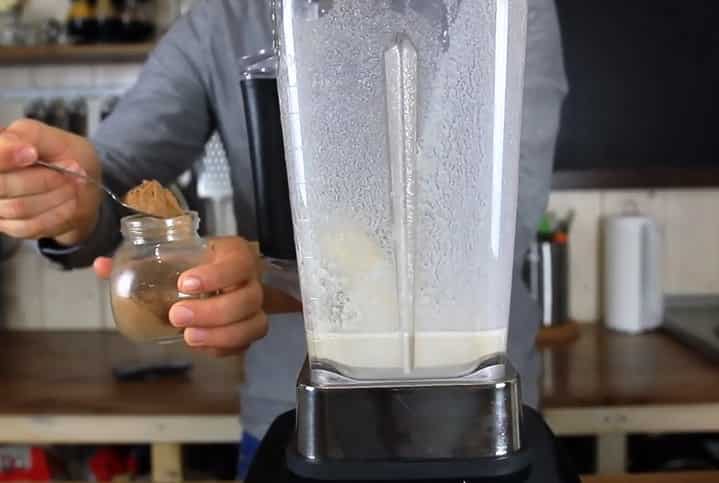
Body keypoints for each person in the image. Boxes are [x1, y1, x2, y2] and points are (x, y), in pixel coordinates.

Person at [0, 0, 567, 478]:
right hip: (291, 418)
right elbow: (114, 171)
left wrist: (265, 278)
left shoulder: (496, 12)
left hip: (478, 423)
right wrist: (67, 199)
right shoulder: (226, 21)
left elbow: (479, 240)